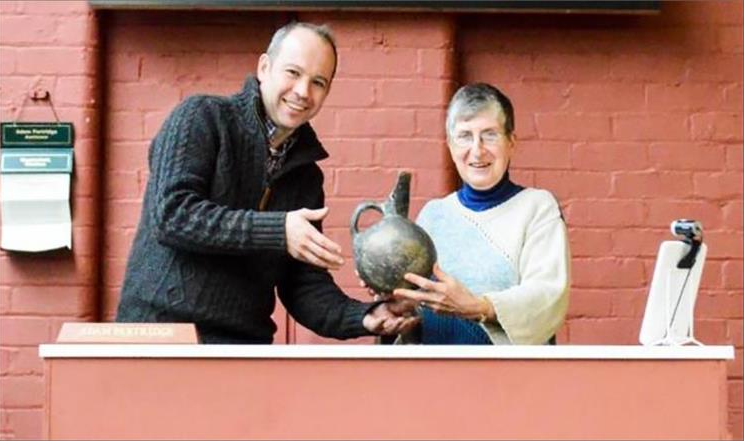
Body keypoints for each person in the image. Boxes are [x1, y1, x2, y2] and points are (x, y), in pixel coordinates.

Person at [116, 22, 418, 343]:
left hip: (243, 347)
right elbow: (172, 214)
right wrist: (278, 231)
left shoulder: (306, 177)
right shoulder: (201, 117)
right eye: (293, 72)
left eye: (318, 82)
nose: (303, 91)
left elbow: (303, 284)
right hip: (160, 337)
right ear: (264, 68)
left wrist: (365, 316)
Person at [392, 83, 570, 345]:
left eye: (490, 135)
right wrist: (394, 300)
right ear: (450, 146)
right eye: (465, 136)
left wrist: (479, 307)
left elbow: (547, 295)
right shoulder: (433, 215)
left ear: (511, 143)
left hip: (507, 370)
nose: (477, 150)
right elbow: (416, 307)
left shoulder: (537, 208)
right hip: (436, 367)